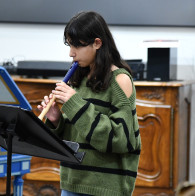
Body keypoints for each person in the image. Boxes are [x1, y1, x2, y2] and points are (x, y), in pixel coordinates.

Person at [37, 11, 141, 196]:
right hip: (72, 181)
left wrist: (74, 104)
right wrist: (56, 120)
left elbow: (121, 140)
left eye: (77, 45)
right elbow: (78, 134)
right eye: (69, 45)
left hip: (106, 188)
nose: (71, 53)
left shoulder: (120, 80)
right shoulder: (79, 78)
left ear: (97, 43)